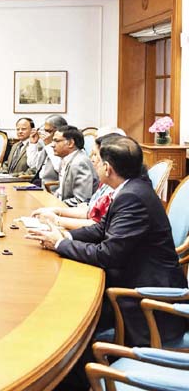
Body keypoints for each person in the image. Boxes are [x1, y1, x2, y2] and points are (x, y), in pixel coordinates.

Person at [26, 136, 187, 389]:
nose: (94, 164)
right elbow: (102, 229)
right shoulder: (131, 188)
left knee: (71, 323)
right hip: (130, 281)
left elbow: (108, 254)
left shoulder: (133, 197)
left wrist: (60, 245)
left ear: (108, 168)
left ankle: (67, 378)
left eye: (97, 160)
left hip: (145, 301)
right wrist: (65, 236)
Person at [31, 130, 126, 230]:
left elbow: (98, 225)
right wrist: (55, 210)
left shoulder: (120, 192)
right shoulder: (105, 183)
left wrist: (57, 221)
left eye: (95, 155)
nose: (91, 159)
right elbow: (89, 211)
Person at [52, 125, 98, 206]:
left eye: (57, 141)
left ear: (70, 143)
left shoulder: (79, 163)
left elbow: (81, 200)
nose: (52, 145)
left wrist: (56, 205)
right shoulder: (66, 159)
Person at [27, 114, 67, 185]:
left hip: (51, 186)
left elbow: (59, 168)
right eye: (44, 130)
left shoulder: (66, 147)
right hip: (38, 182)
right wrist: (33, 144)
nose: (45, 134)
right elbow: (32, 165)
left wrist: (49, 145)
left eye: (48, 131)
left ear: (60, 131)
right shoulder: (46, 145)